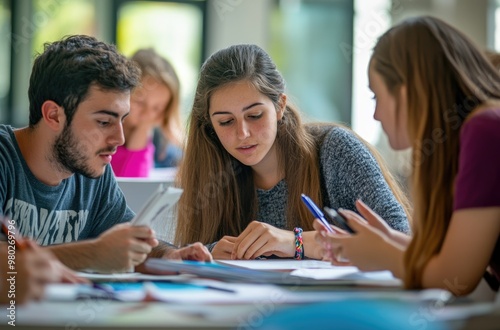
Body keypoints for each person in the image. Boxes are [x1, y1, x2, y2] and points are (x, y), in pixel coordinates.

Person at [314, 16, 500, 296]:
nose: (376, 115)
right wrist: (387, 242)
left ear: (409, 90)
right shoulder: (475, 130)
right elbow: (450, 261)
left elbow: (456, 277)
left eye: (376, 97)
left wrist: (383, 253)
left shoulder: (485, 130)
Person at [174, 44, 411, 260]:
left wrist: (297, 241)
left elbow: (402, 242)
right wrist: (211, 251)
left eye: (254, 115)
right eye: (226, 122)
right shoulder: (211, 169)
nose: (242, 133)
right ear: (210, 126)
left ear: (280, 106)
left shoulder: (335, 150)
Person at [0, 35, 211, 274]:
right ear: (53, 115)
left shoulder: (92, 171)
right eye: (103, 121)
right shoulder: (4, 159)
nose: (119, 139)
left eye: (123, 119)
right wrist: (92, 254)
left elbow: (128, 245)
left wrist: (169, 256)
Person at [111, 48, 183, 177]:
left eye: (157, 108)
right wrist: (143, 128)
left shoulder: (164, 148)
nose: (147, 115)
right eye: (140, 102)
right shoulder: (106, 138)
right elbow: (132, 183)